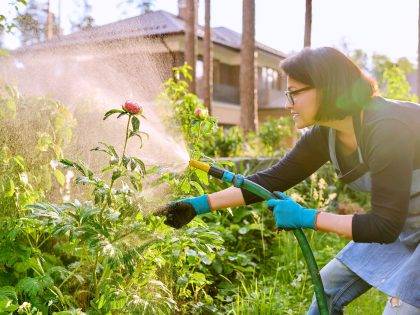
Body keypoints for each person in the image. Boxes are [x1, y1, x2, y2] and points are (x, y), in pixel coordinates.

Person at [158, 47, 420, 314]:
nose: (288, 104)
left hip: (393, 226)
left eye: (294, 93)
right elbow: (271, 180)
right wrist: (197, 205)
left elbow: (384, 226)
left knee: (401, 309)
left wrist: (307, 217)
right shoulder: (325, 136)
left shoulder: (387, 128)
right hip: (406, 226)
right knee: (327, 290)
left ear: (326, 87)